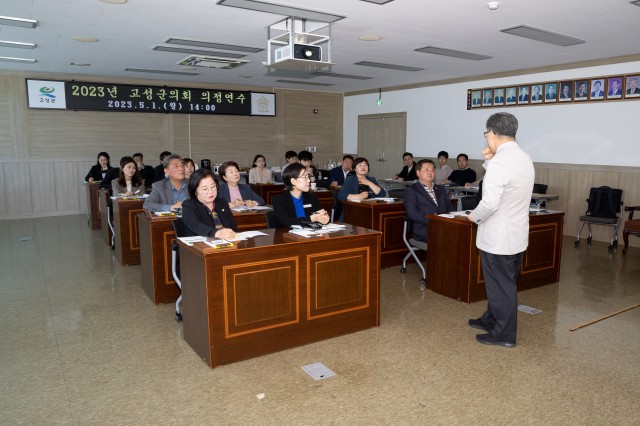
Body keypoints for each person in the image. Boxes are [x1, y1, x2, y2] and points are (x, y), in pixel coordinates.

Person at [467, 112, 534, 348]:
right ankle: (491, 319)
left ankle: (504, 334)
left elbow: (490, 202)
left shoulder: (500, 162)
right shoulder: (523, 157)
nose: (486, 138)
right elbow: (506, 183)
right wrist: (489, 160)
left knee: (501, 287)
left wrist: (473, 216)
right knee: (504, 283)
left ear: (493, 133)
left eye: (486, 134)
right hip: (516, 235)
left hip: (498, 237)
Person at [404, 159, 454, 242]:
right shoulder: (411, 190)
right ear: (418, 173)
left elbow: (450, 207)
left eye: (432, 170)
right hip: (424, 229)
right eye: (426, 170)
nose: (430, 172)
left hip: (444, 226)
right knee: (447, 237)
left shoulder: (440, 189)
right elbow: (412, 213)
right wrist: (435, 221)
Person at [182, 169, 237, 239]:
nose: (210, 191)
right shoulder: (189, 205)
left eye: (213, 187)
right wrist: (216, 233)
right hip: (199, 245)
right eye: (205, 189)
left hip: (226, 244)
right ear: (195, 191)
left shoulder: (222, 203)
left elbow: (233, 227)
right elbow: (195, 225)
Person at [272, 163, 330, 228]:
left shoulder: (311, 197)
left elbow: (320, 214)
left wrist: (324, 217)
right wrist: (311, 219)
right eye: (304, 177)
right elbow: (286, 222)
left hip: (310, 234)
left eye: (308, 177)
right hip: (287, 235)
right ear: (293, 181)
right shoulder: (279, 200)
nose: (308, 180)